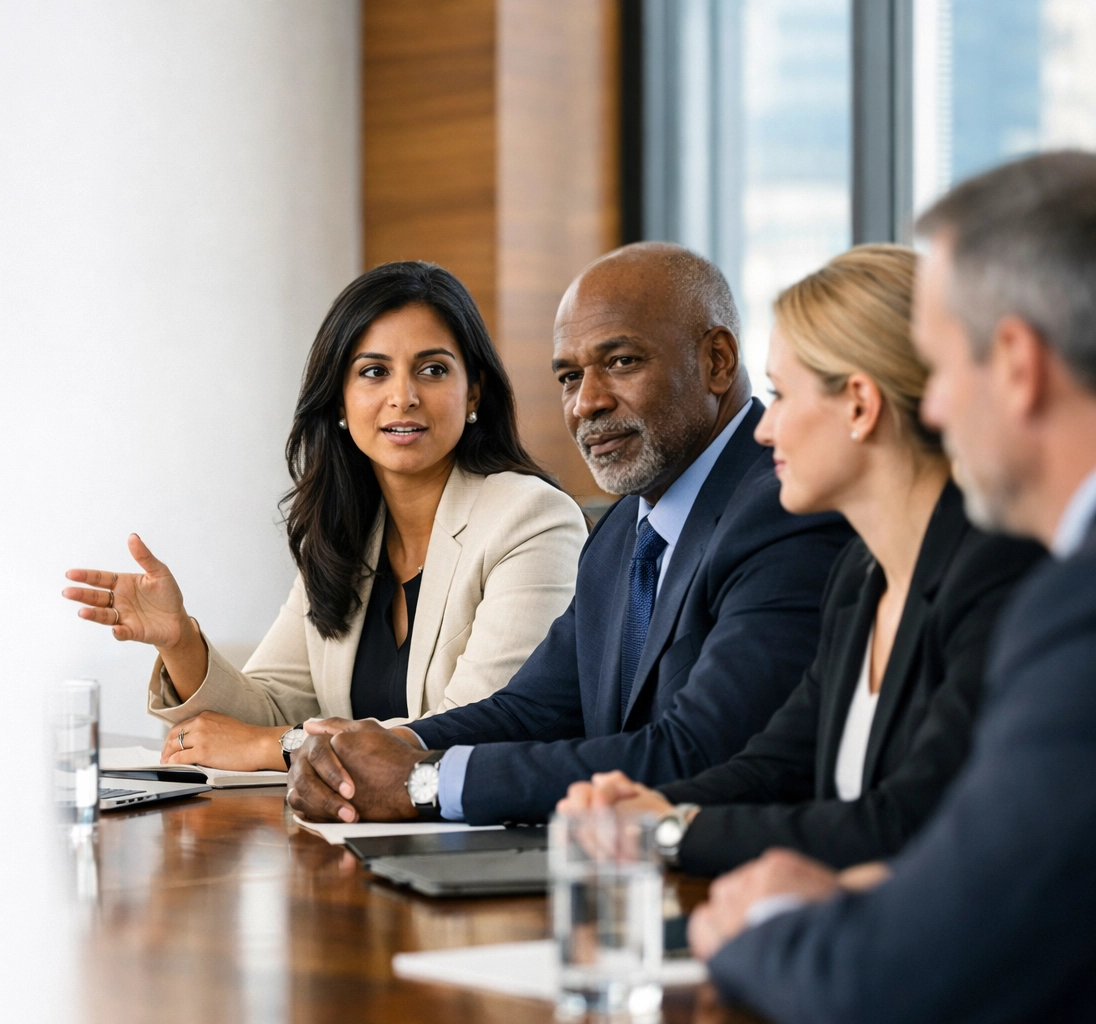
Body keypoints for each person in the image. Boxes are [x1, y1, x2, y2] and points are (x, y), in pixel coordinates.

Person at [693, 151, 1096, 1023]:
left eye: (944, 369)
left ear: (1019, 364)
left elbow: (906, 961)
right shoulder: (859, 574)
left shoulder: (1059, 599)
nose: (938, 409)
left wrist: (761, 920)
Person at [285, 242, 854, 825]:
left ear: (717, 361)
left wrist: (426, 782)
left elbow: (700, 753)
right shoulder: (621, 534)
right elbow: (533, 710)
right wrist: (380, 752)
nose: (588, 403)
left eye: (622, 362)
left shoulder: (785, 508)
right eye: (569, 376)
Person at [554, 244, 1043, 876]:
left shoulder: (998, 574)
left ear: (861, 406)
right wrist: (639, 809)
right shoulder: (858, 579)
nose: (762, 428)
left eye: (782, 395)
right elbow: (776, 764)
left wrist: (668, 832)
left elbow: (905, 819)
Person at [62, 262, 586, 771]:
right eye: (374, 372)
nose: (403, 397)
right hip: (353, 836)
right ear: (339, 399)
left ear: (473, 391)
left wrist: (281, 747)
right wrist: (180, 640)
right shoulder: (346, 535)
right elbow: (264, 711)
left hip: (475, 846)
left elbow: (482, 729)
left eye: (432, 370)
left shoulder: (530, 518)